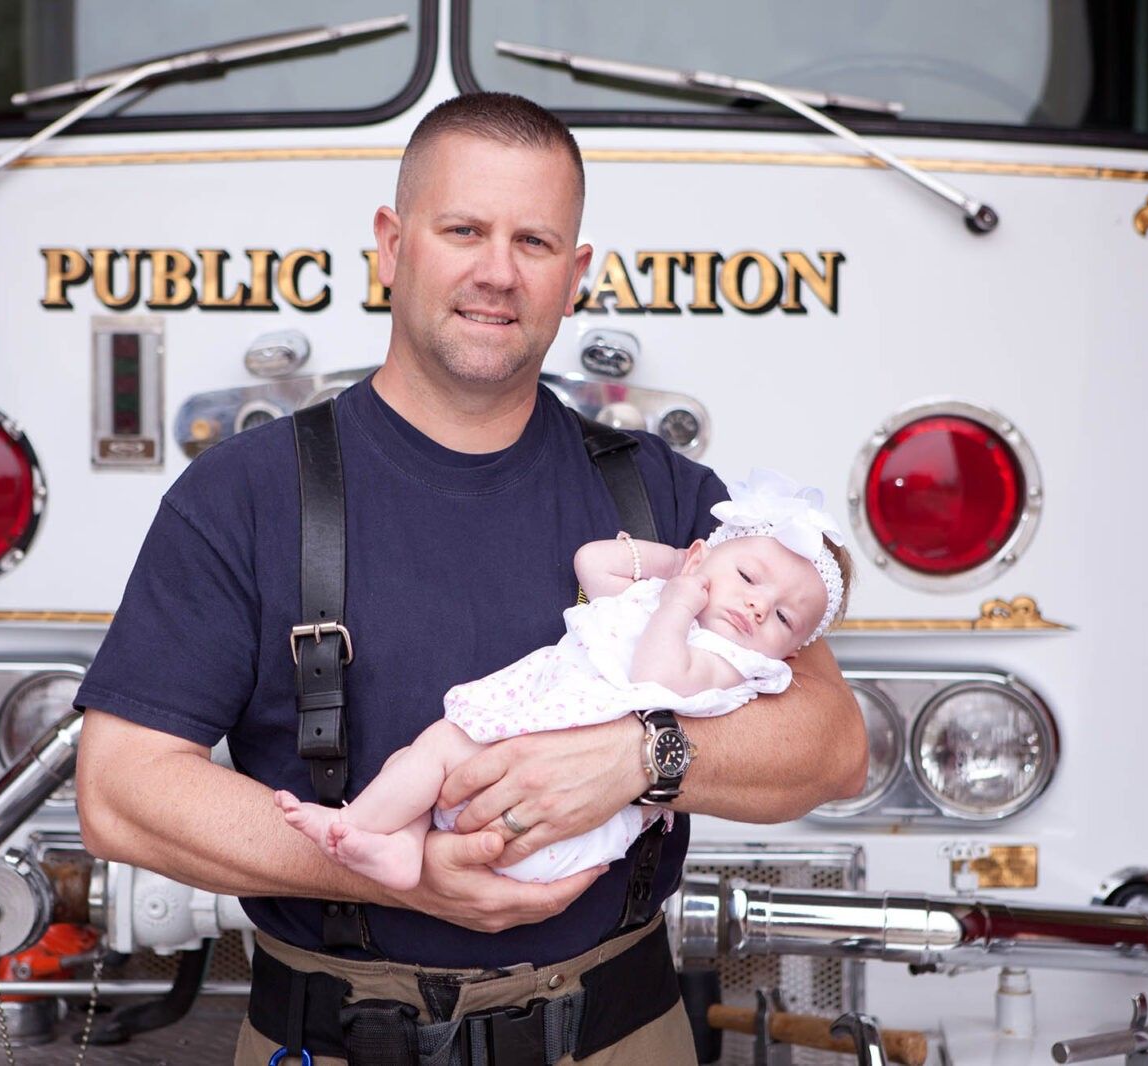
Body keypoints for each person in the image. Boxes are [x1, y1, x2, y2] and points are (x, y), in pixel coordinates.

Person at [74, 91, 867, 1066]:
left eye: (533, 242)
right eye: (463, 230)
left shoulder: (671, 496)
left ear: (574, 276)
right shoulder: (241, 495)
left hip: (620, 1036)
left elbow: (833, 744)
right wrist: (396, 875)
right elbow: (119, 790)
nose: (497, 272)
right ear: (390, 245)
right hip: (329, 1041)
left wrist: (640, 756)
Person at [276, 469, 854, 890]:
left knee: (442, 748)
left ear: (794, 647)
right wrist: (681, 564)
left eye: (782, 617)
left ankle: (350, 823)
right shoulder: (660, 593)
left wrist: (680, 603)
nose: (757, 607)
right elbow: (591, 562)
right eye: (749, 576)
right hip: (522, 771)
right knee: (420, 760)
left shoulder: (730, 663)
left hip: (562, 827)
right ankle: (399, 848)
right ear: (703, 559)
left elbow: (655, 682)